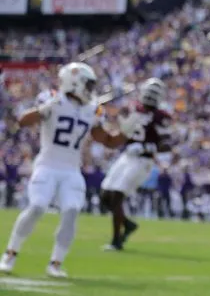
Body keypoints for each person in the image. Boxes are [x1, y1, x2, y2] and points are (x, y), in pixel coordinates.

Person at [0, 63, 134, 277]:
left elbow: (107, 140)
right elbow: (23, 120)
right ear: (74, 82)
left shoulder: (92, 109)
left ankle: (56, 263)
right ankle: (10, 253)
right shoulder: (52, 98)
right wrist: (44, 110)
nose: (90, 89)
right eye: (88, 84)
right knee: (37, 207)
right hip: (47, 164)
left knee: (71, 210)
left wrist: (126, 132)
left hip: (72, 169)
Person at [100, 78, 172, 251]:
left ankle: (116, 241)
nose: (150, 97)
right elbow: (122, 129)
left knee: (117, 195)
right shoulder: (133, 109)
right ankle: (128, 224)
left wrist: (148, 146)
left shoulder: (161, 117)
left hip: (143, 160)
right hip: (126, 156)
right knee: (105, 196)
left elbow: (167, 144)